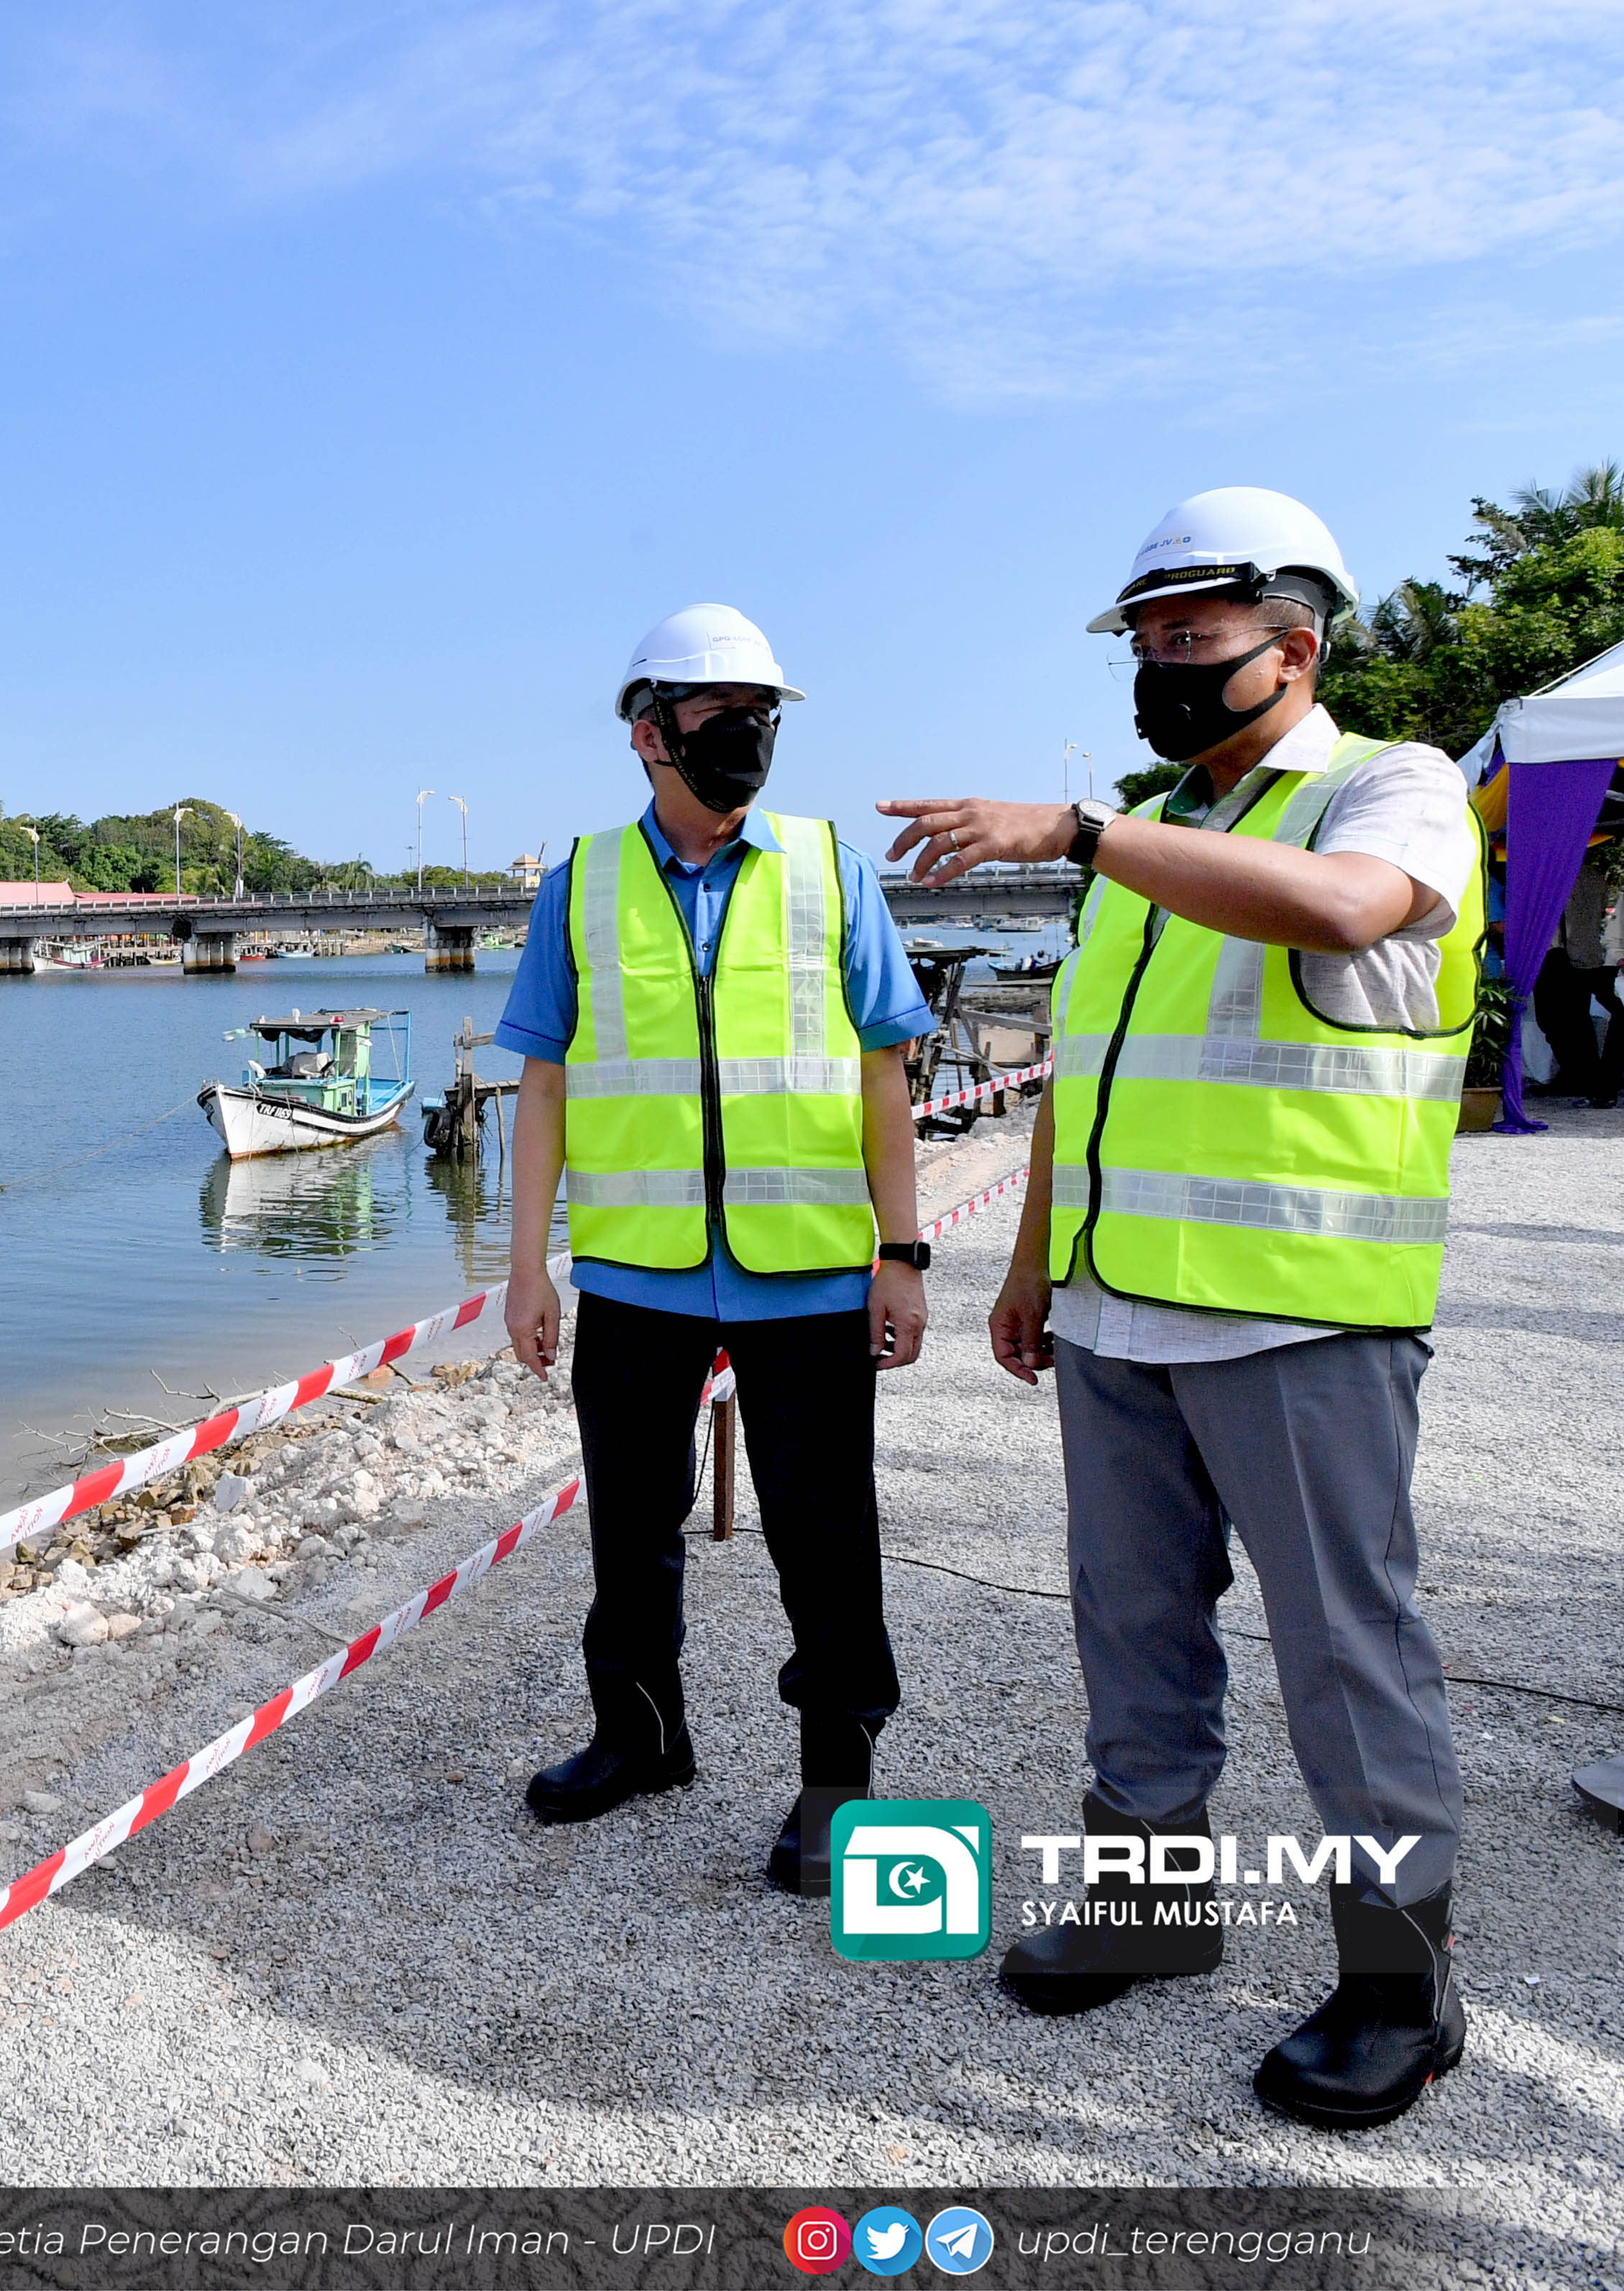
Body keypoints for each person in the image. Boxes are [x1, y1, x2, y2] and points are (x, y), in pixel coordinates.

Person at [879, 486, 1482, 2132]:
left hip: (1300, 1310)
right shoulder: (1151, 831)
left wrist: (1077, 833)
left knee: (1343, 1652)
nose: (1158, 666)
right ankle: (1151, 1911)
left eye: (1188, 638)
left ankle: (1397, 1986)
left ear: (1293, 648)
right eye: (1141, 642)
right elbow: (1088, 1069)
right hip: (1117, 1313)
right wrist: (1032, 1264)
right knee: (1130, 1629)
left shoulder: (1387, 787)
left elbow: (1343, 910)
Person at [497, 604, 937, 1898]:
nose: (743, 736)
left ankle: (835, 1782)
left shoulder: (827, 869)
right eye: (716, 716)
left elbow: (883, 1070)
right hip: (634, 1273)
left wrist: (900, 1252)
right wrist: (525, 1266)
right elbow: (543, 1086)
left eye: (760, 716)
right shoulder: (579, 884)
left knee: (824, 1537)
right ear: (648, 733)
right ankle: (638, 1736)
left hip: (806, 1273)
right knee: (630, 1527)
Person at [1528, 836, 1620, 1106]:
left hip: (1557, 953)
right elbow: (1600, 912)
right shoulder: (1595, 876)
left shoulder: (1551, 877)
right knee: (1577, 1019)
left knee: (1554, 1020)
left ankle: (1578, 1076)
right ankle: (1583, 1075)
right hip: (1588, 955)